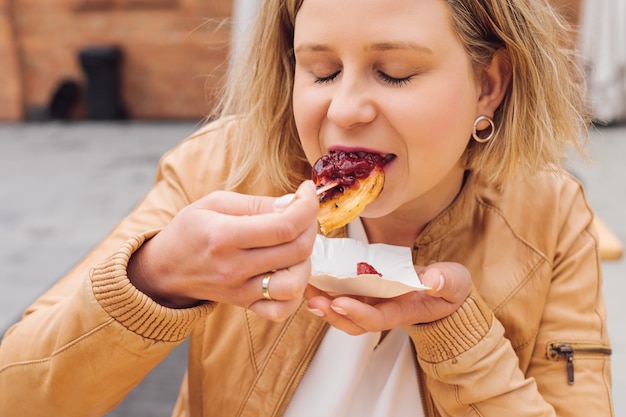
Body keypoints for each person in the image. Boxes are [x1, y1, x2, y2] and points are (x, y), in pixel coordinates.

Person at [0, 0, 613, 415]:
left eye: (394, 73)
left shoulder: (550, 215)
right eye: (319, 70)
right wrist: (157, 278)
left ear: (489, 84)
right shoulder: (221, 171)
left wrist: (456, 333)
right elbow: (20, 393)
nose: (344, 111)